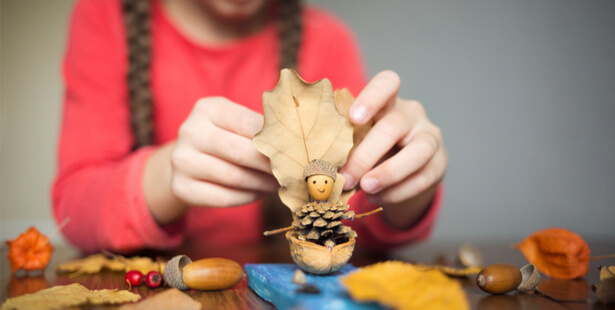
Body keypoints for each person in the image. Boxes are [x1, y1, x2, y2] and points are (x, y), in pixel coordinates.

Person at [53, 0, 447, 253]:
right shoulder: (104, 18)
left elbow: (358, 215)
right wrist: (164, 174)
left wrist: (401, 179)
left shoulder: (329, 40)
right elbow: (75, 205)